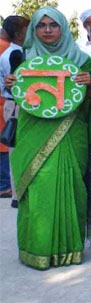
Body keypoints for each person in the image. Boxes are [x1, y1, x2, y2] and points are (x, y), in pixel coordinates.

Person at [5, 7, 91, 269]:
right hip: (33, 131)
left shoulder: (82, 61)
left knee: (70, 185)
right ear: (33, 30)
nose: (47, 30)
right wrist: (11, 83)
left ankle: (69, 248)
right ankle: (37, 247)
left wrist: (90, 86)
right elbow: (21, 96)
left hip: (71, 132)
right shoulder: (21, 57)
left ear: (63, 29)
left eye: (53, 25)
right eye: (41, 26)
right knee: (36, 186)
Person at [0, 16, 29, 202]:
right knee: (17, 152)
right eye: (30, 29)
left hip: (13, 105)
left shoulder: (17, 51)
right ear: (19, 34)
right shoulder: (15, 55)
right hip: (17, 106)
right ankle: (18, 195)